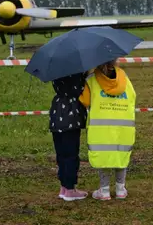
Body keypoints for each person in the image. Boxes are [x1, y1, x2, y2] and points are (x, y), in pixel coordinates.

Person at [79, 59, 136, 200]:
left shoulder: (91, 80)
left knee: (104, 156)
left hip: (101, 130)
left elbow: (84, 101)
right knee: (120, 155)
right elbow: (133, 97)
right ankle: (120, 189)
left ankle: (104, 191)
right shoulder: (124, 78)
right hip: (123, 126)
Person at [49, 72, 89, 201]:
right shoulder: (75, 74)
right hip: (71, 116)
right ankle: (70, 189)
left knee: (61, 154)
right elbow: (79, 90)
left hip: (56, 113)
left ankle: (64, 187)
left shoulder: (56, 71)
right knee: (71, 154)